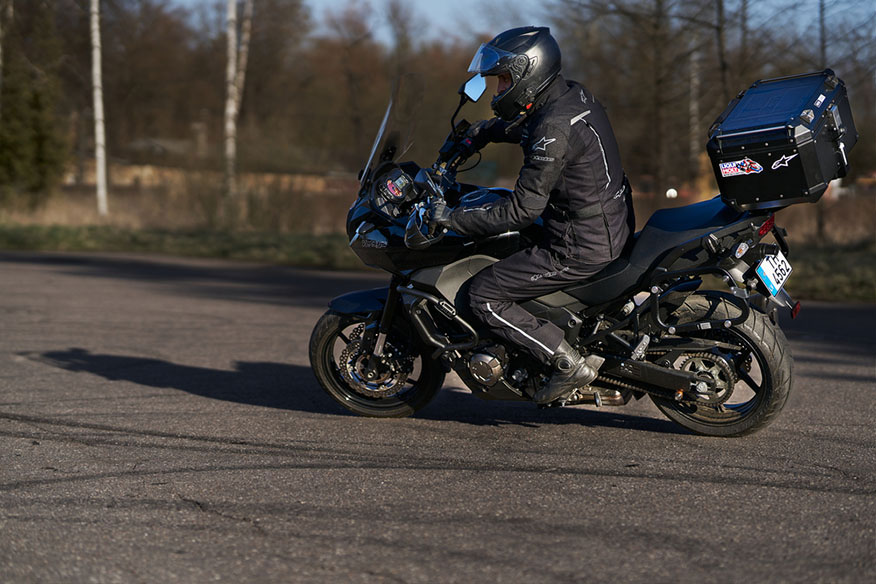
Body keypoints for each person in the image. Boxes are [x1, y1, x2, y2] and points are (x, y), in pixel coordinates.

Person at [431, 26, 634, 405]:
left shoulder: (552, 128)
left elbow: (523, 209)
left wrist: (451, 218)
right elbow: (531, 124)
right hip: (604, 220)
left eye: (504, 80)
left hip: (581, 243)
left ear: (529, 74)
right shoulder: (568, 95)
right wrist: (482, 133)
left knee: (483, 294)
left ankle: (567, 363)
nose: (498, 90)